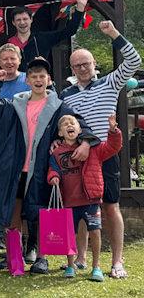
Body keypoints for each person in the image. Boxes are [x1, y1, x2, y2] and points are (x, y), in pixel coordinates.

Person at [0, 57, 97, 275]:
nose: (38, 80)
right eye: (33, 76)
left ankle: (41, 258)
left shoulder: (59, 107)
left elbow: (78, 123)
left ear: (49, 80)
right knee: (11, 212)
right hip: (15, 168)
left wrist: (87, 142)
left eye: (42, 76)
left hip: (42, 168)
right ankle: (14, 256)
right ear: (27, 81)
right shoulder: (14, 105)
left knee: (41, 213)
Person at [59, 20, 140, 278]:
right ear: (72, 68)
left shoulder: (110, 83)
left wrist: (114, 33)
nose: (82, 68)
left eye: (86, 63)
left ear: (94, 64)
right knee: (80, 206)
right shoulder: (66, 95)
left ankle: (117, 261)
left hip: (104, 155)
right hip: (78, 158)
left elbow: (134, 61)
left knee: (110, 205)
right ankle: (81, 258)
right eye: (77, 65)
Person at [48, 114, 122, 281]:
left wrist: (113, 131)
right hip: (68, 201)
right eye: (65, 124)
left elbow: (112, 147)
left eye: (72, 123)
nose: (69, 125)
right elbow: (53, 169)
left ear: (80, 130)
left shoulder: (93, 150)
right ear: (60, 133)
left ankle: (96, 267)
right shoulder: (57, 153)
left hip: (91, 200)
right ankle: (70, 265)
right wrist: (53, 177)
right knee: (69, 235)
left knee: (95, 232)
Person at [0, 43, 30, 249]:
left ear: (19, 60)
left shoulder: (29, 80)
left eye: (13, 58)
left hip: (24, 143)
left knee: (22, 192)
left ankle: (27, 239)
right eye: (5, 59)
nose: (9, 62)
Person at [8, 0, 88, 71]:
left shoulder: (42, 38)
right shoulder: (9, 44)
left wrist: (80, 7)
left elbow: (69, 31)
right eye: (18, 20)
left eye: (25, 19)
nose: (22, 23)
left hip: (39, 81)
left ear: (31, 20)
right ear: (13, 22)